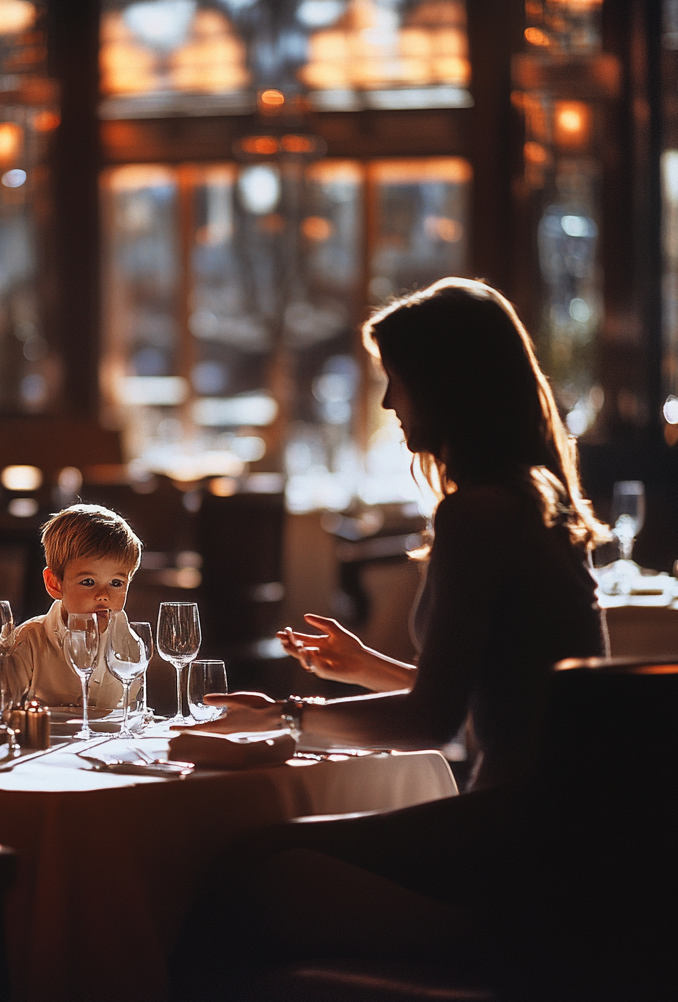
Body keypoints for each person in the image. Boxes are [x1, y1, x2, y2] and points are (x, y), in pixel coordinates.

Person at [197, 277, 609, 791]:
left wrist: (285, 716)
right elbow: (477, 692)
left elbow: (431, 723)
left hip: (521, 823)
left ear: (445, 386)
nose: (390, 402)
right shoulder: (536, 501)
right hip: (574, 812)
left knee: (257, 859)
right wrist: (365, 665)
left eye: (396, 379)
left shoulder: (479, 514)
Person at [9, 503, 144, 708]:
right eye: (88, 582)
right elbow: (1, 710)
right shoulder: (27, 642)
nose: (103, 595)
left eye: (116, 583)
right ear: (55, 584)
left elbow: (132, 710)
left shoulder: (130, 643)